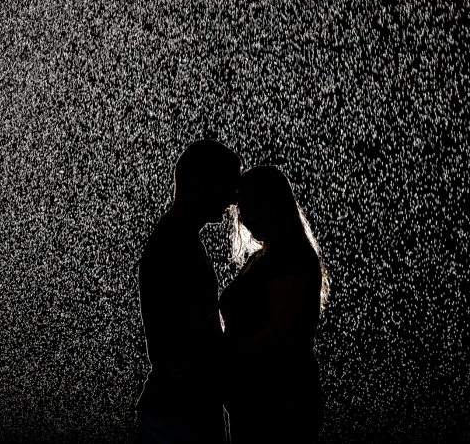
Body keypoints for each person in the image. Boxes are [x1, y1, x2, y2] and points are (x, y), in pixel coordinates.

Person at [136, 139, 242, 444]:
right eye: (228, 186)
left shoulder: (178, 239)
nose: (234, 199)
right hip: (179, 414)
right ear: (200, 184)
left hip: (181, 409)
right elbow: (190, 324)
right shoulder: (174, 245)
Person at [219, 165, 329, 443]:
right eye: (241, 209)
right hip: (257, 397)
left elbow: (281, 331)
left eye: (255, 207)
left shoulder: (290, 255)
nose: (246, 218)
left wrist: (226, 359)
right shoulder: (263, 256)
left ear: (277, 205)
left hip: (281, 398)